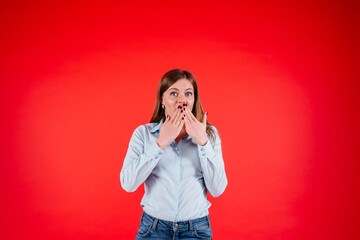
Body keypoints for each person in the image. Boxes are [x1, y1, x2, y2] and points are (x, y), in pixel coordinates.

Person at [120, 69, 228, 240]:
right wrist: (160, 143)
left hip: (196, 231)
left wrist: (203, 143)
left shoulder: (209, 134)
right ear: (162, 99)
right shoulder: (143, 134)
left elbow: (218, 189)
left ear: (194, 99)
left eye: (188, 94)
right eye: (174, 93)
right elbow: (128, 184)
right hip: (153, 229)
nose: (182, 100)